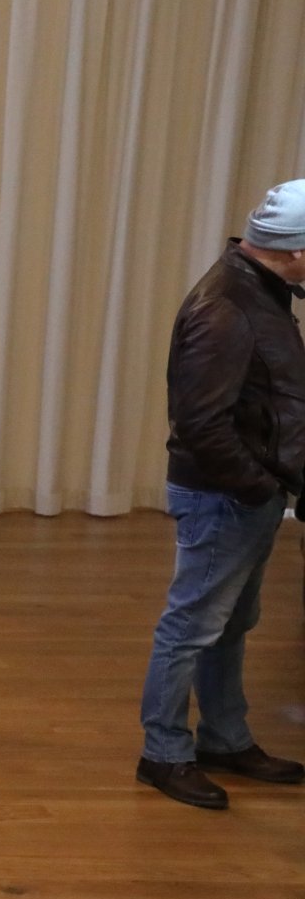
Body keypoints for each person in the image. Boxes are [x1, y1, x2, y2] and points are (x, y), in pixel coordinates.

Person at [137, 178, 305, 808]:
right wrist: (257, 487)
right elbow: (201, 422)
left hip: (246, 493)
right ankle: (163, 754)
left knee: (231, 622)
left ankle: (225, 738)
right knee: (190, 626)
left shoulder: (259, 291)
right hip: (225, 497)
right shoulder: (228, 308)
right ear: (294, 250)